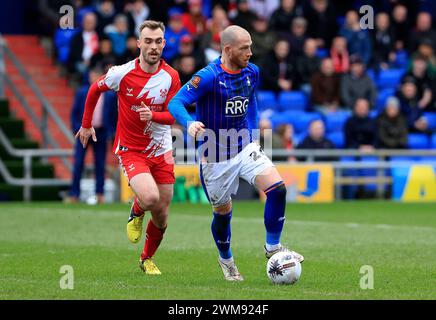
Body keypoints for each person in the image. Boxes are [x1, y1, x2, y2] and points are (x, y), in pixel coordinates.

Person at [167, 25, 304, 281]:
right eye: (244, 48)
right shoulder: (207, 76)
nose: (250, 52)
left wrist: (252, 133)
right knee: (223, 212)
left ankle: (273, 246)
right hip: (214, 155)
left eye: (251, 46)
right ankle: (227, 260)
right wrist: (189, 123)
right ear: (227, 49)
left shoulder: (252, 71)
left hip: (244, 146)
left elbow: (251, 102)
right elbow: (175, 102)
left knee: (278, 188)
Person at [75, 20, 181, 275]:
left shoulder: (172, 77)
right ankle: (136, 211)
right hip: (131, 149)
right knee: (150, 198)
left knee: (162, 213)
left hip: (161, 150)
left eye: (158, 41)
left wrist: (153, 116)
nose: (153, 47)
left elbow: (174, 115)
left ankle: (147, 259)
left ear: (164, 44)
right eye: (148, 41)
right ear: (139, 43)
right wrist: (87, 124)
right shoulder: (121, 73)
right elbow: (94, 89)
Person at [69, 68, 117, 204]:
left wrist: (110, 132)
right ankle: (74, 194)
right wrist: (76, 128)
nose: (94, 77)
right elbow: (74, 112)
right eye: (92, 75)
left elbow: (114, 115)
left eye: (96, 75)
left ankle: (100, 194)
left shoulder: (109, 95)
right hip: (84, 132)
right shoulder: (82, 92)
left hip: (100, 132)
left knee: (100, 164)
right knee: (78, 163)